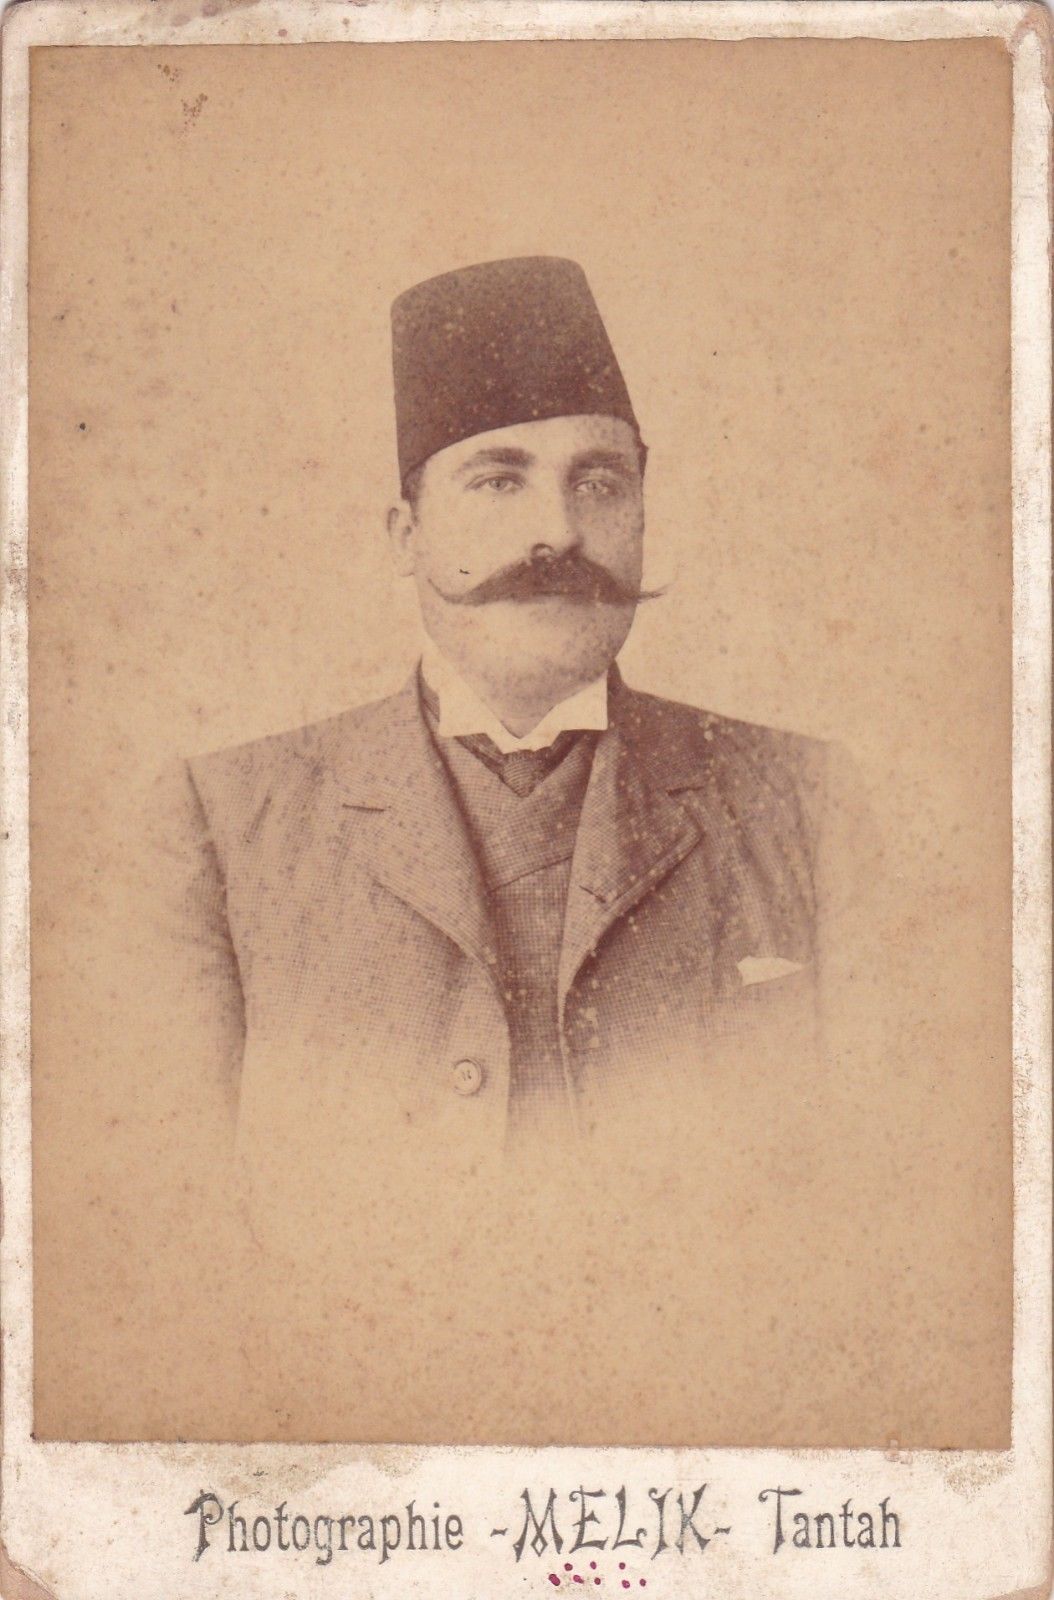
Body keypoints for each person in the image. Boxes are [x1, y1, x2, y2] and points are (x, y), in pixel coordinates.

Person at [154, 256, 872, 1201]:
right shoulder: (225, 821)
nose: (559, 534)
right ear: (406, 537)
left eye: (600, 483)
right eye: (498, 482)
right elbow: (175, 1219)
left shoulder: (809, 801)